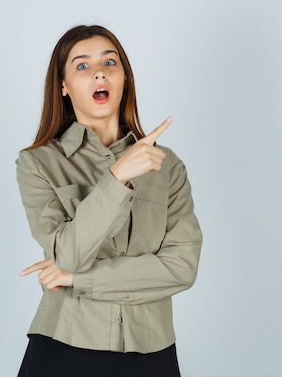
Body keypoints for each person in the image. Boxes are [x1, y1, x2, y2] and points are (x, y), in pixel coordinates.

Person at [15, 24, 202, 377]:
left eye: (110, 62)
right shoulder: (37, 163)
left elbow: (181, 268)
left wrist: (77, 280)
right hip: (64, 350)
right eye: (82, 65)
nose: (98, 71)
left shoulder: (168, 166)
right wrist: (117, 177)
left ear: (124, 78)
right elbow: (66, 253)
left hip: (152, 355)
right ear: (64, 87)